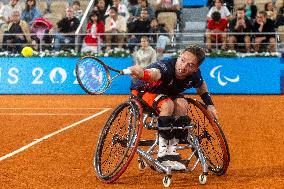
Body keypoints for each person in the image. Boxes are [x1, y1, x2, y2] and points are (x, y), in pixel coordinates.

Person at [127, 44, 218, 170]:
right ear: (179, 56)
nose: (183, 66)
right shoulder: (165, 67)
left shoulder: (194, 75)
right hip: (143, 92)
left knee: (182, 104)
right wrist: (142, 73)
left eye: (190, 65)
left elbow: (201, 85)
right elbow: (154, 74)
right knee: (167, 104)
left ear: (196, 68)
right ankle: (162, 155)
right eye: (182, 60)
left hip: (167, 93)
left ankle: (171, 153)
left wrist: (210, 104)